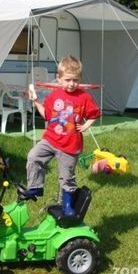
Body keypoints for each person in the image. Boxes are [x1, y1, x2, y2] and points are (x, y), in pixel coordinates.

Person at [26, 55, 101, 216]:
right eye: (67, 80)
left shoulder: (83, 97)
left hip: (70, 145)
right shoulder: (54, 95)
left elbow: (94, 114)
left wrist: (86, 126)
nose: (72, 84)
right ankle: (35, 188)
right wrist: (36, 102)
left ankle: (66, 205)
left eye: (75, 80)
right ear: (59, 79)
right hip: (51, 139)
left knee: (67, 178)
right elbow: (46, 114)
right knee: (33, 156)